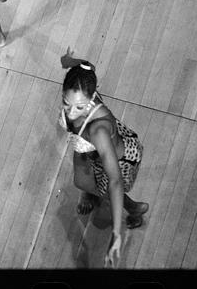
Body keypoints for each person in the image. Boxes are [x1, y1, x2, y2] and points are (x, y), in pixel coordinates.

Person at [58, 48, 148, 268]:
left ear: (90, 100)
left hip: (118, 160)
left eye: (79, 107)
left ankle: (135, 209)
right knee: (82, 181)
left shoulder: (98, 130)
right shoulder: (85, 81)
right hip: (92, 152)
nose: (71, 112)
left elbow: (115, 180)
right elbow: (86, 66)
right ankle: (91, 195)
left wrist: (116, 235)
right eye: (66, 103)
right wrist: (69, 61)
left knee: (106, 189)